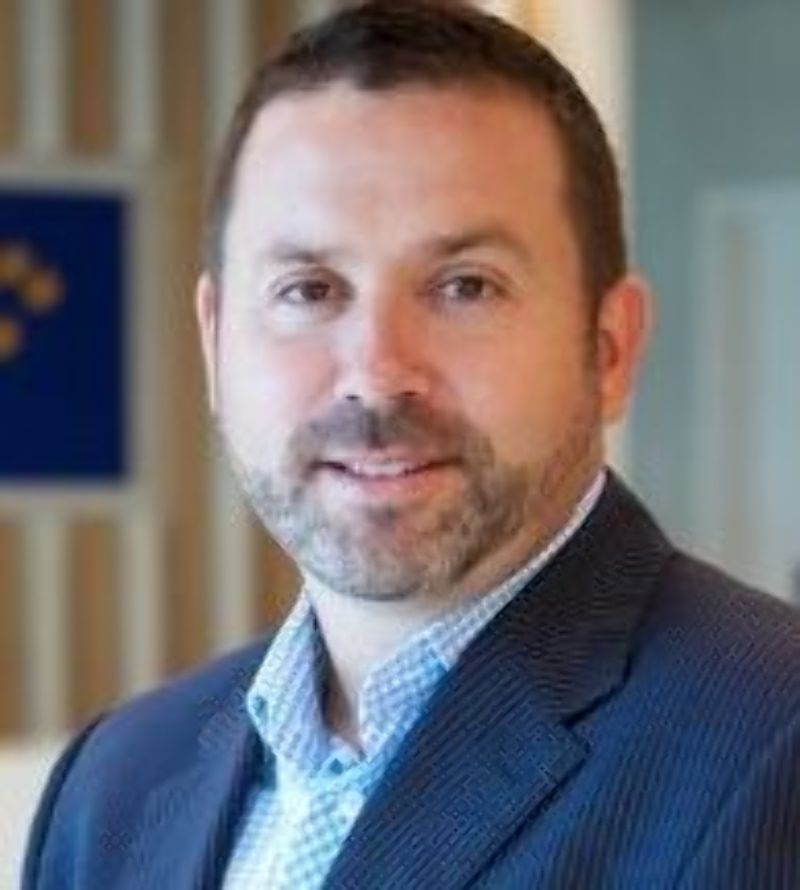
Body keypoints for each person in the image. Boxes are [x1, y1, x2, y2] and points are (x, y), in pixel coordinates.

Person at [23, 2, 800, 888]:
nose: (377, 374)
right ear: (214, 343)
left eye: (465, 286)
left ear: (610, 346)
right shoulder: (114, 783)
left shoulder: (773, 741)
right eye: (309, 289)